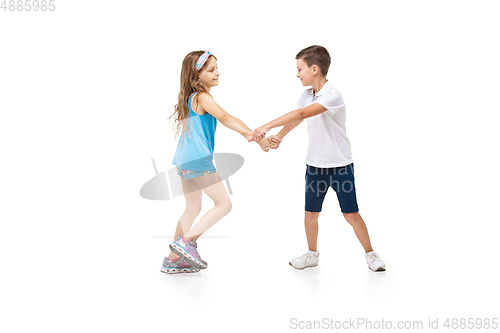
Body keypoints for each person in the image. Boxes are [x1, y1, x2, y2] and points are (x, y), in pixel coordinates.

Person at [253, 45, 386, 272]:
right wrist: (280, 136)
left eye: (299, 69)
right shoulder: (307, 95)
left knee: (350, 213)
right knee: (310, 214)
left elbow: (304, 113)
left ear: (314, 69)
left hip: (340, 166)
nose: (297, 74)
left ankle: (371, 254)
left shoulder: (332, 94)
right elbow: (297, 118)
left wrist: (266, 125)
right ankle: (312, 255)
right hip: (315, 167)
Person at [161, 50, 272, 274]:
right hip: (198, 160)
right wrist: (250, 135)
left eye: (216, 68)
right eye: (211, 70)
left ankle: (172, 259)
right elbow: (225, 117)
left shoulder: (191, 97)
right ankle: (187, 243)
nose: (217, 73)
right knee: (224, 205)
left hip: (184, 160)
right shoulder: (203, 97)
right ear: (196, 75)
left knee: (192, 208)